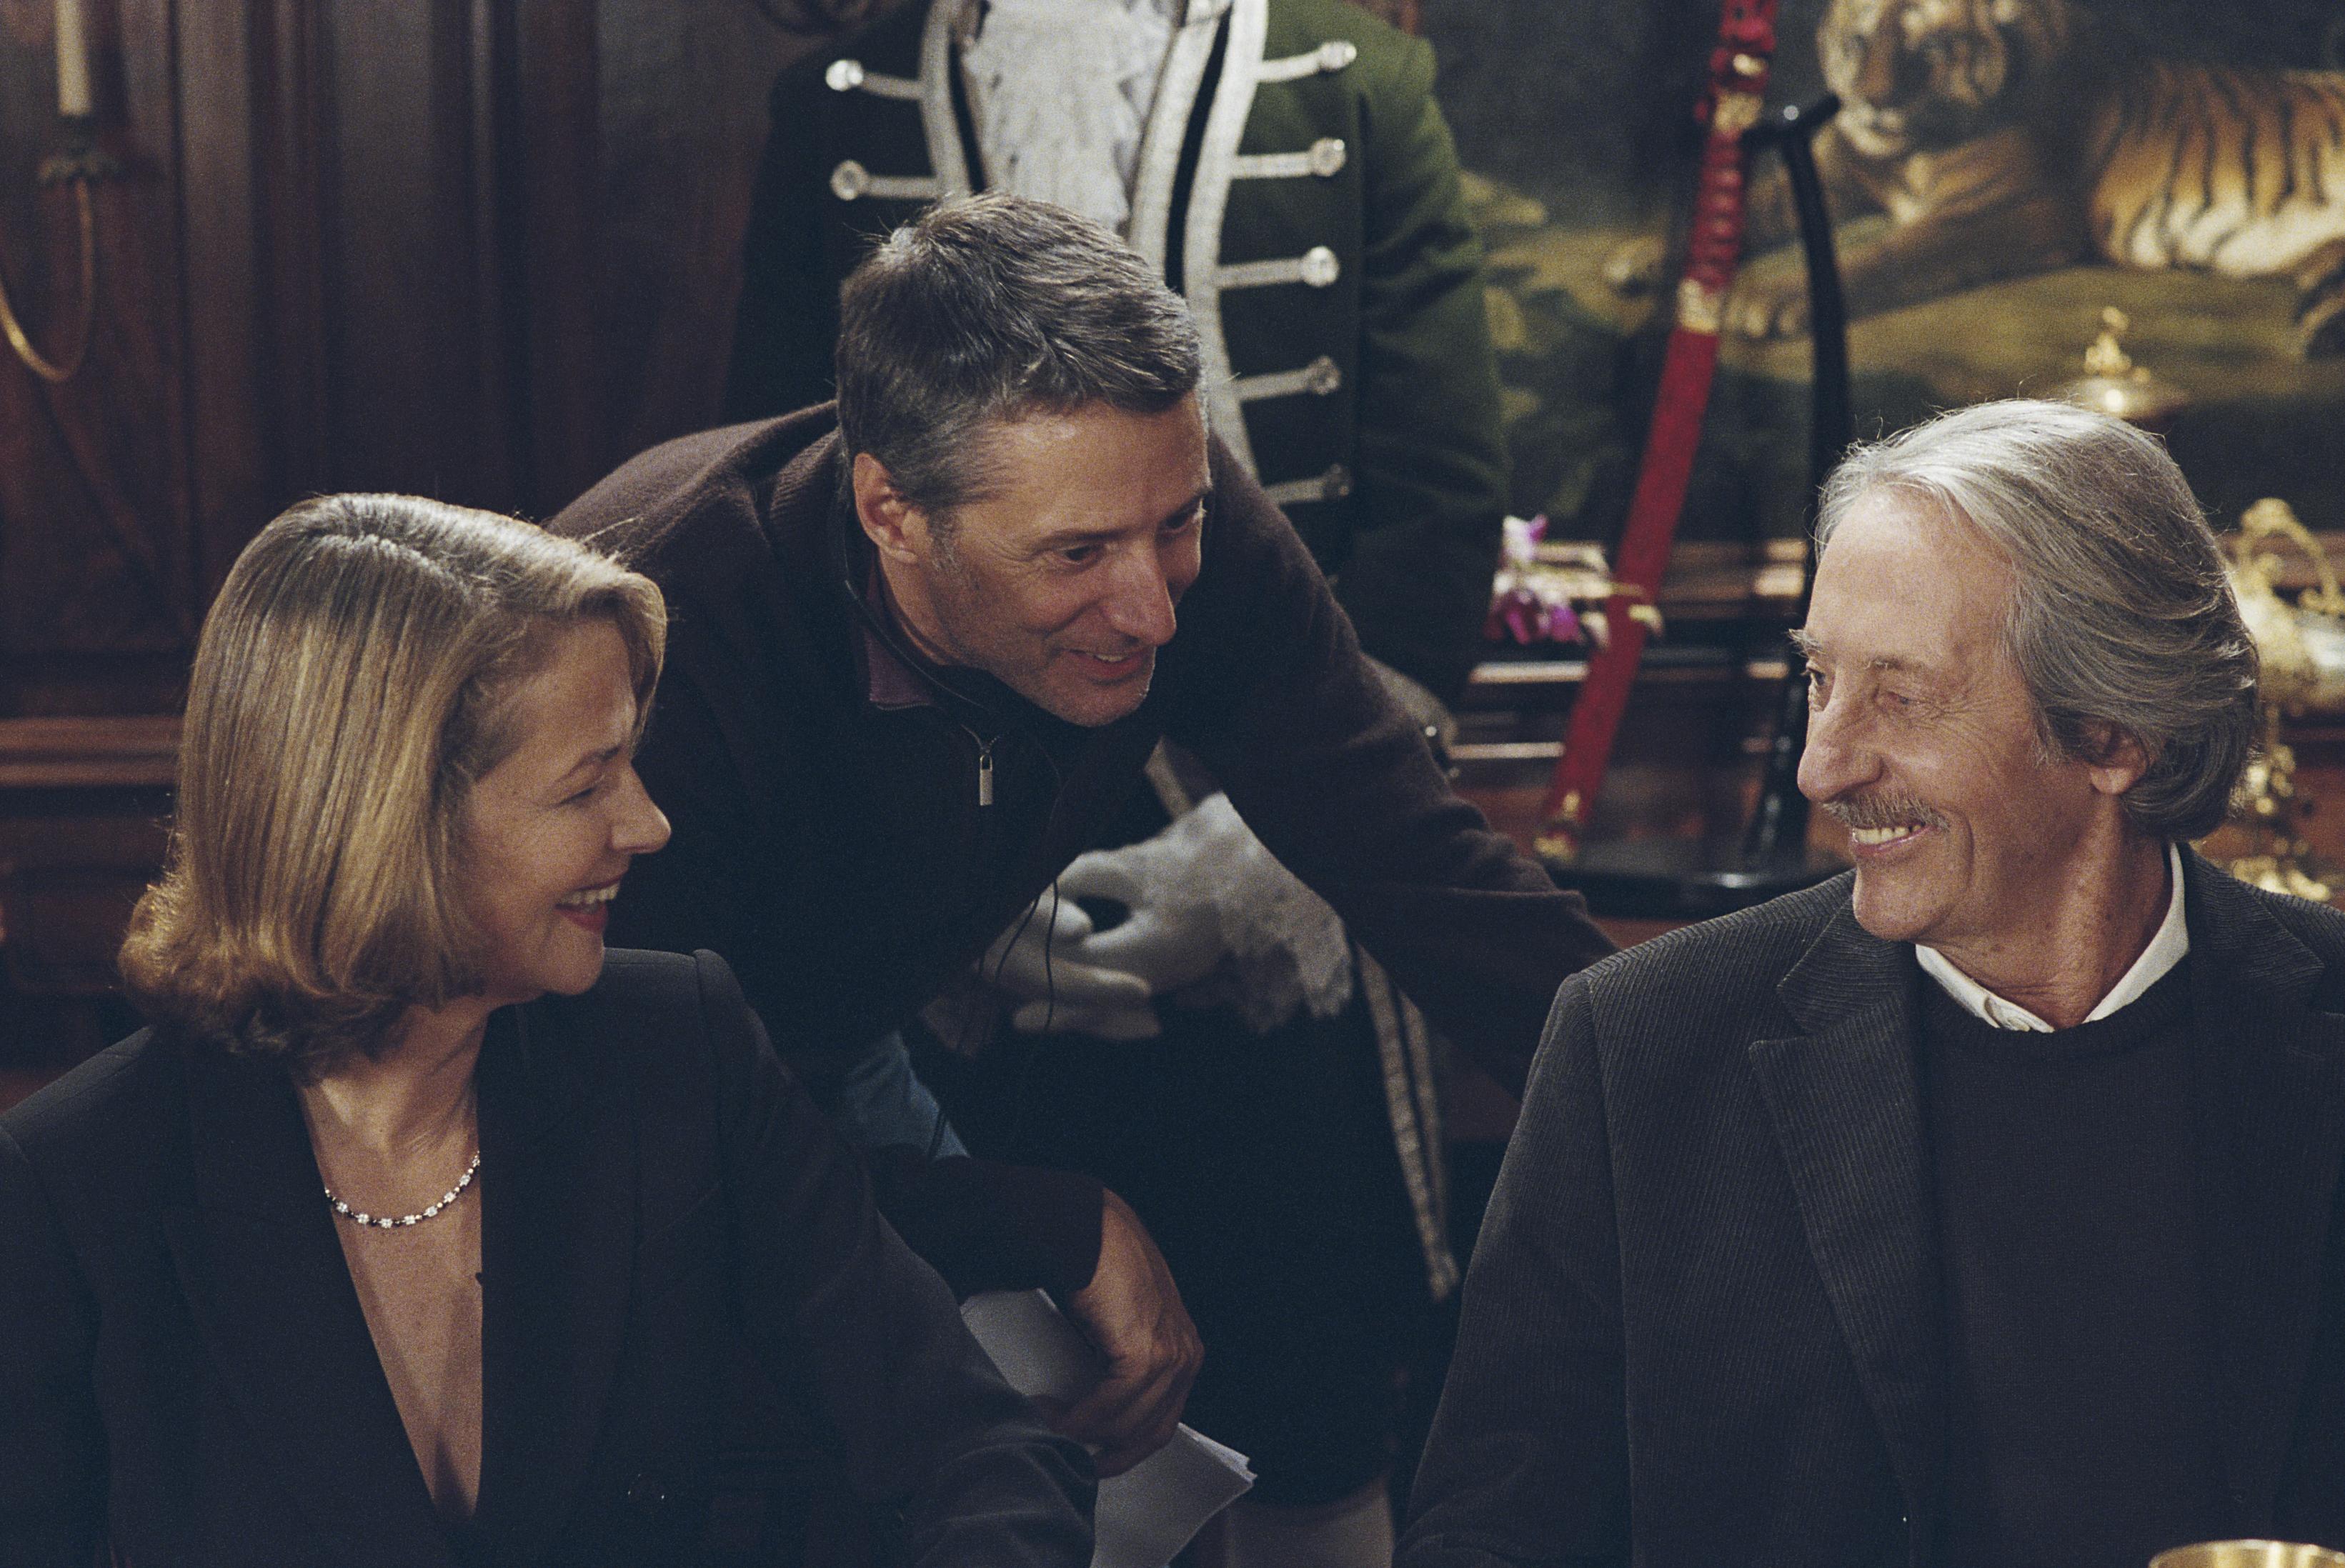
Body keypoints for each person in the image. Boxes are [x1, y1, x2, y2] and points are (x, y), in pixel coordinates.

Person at [550, 191, 1613, 1482]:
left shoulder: (1147, 509)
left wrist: (1710, 1100)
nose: (1152, 611)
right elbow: (638, 1133)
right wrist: (1045, 1224)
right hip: (571, 1123)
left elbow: (1424, 867)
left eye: (1178, 525)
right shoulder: (664, 642)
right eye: (1074, 557)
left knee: (1033, 1483)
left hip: (823, 1045)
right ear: (891, 512)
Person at [722, 0, 1508, 1552]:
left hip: (1280, 885)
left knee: (1308, 1403)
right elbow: (802, 503)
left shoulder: (1353, 81)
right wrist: (949, 874)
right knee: (996, 1439)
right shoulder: (839, 99)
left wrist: (1251, 864)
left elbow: (1436, 505)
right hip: (951, 964)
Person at [0, 495, 1094, 1566]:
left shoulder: (679, 1048)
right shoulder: (72, 1183)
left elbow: (978, 1454)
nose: (647, 824)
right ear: (389, 828)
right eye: (584, 787)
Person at [1401, 399, 2345, 1568]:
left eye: (1900, 696)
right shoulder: (1641, 1046)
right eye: (1818, 679)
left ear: (2111, 735)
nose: (1822, 765)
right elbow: (1487, 1539)